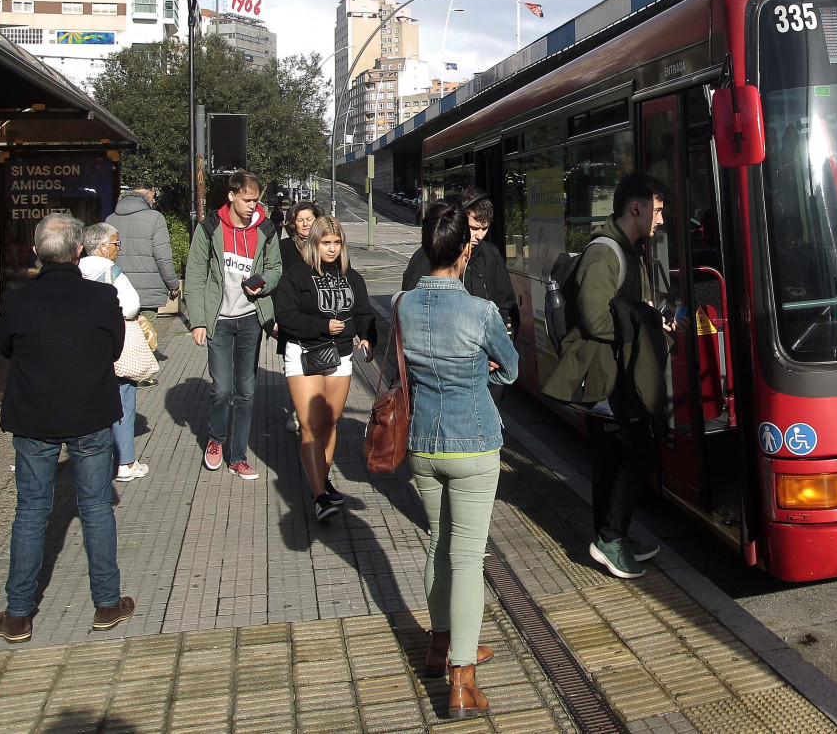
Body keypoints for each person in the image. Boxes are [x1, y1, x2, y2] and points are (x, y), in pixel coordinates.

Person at [397, 205, 518, 719]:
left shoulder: (403, 304)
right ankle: (463, 681)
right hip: (473, 442)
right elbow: (510, 370)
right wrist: (482, 369)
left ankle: (439, 646)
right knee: (469, 558)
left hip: (423, 444)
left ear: (428, 249)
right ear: (465, 250)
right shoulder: (481, 312)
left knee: (437, 546)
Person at [0, 213, 134, 643]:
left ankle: (18, 614)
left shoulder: (16, 301)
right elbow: (115, 346)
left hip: (33, 417)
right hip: (90, 415)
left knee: (31, 512)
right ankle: (107, 604)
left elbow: (4, 348)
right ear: (78, 252)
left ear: (36, 252)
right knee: (95, 508)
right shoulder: (101, 297)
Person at [543, 173, 677, 580]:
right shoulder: (605, 253)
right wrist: (650, 321)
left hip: (618, 368)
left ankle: (611, 534)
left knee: (612, 457)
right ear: (635, 208)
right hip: (608, 375)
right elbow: (597, 318)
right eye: (656, 211)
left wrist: (648, 315)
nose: (660, 221)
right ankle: (609, 538)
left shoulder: (629, 248)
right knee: (638, 454)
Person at [274, 216, 376, 521]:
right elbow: (285, 315)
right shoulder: (296, 276)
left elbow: (364, 313)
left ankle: (322, 479)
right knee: (310, 426)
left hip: (341, 356)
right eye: (325, 242)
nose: (331, 249)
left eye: (336, 242)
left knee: (329, 424)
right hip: (304, 354)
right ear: (314, 243)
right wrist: (321, 326)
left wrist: (368, 339)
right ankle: (319, 496)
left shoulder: (352, 277)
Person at [184, 170, 282, 480]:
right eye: (248, 199)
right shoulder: (209, 227)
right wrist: (198, 321)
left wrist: (262, 283)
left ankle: (238, 456)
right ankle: (216, 439)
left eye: (257, 199)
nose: (254, 205)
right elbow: (196, 275)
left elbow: (275, 268)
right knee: (221, 388)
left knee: (246, 391)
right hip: (219, 321)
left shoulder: (266, 229)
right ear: (232, 196)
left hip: (250, 319)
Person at [79, 223, 149, 482]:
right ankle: (125, 462)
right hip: (114, 347)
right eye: (116, 243)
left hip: (84, 349)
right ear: (102, 248)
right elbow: (130, 307)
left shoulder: (77, 270)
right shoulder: (111, 272)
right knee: (123, 402)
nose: (119, 249)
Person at [402, 187, 519, 339]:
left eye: (485, 229)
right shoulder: (429, 255)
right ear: (459, 221)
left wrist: (506, 335)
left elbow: (506, 304)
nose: (479, 236)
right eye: (474, 228)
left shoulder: (491, 255)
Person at [106, 180, 180, 338]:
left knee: (123, 336)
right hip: (148, 291)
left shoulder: (110, 219)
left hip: (119, 288)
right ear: (148, 194)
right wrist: (173, 284)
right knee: (146, 337)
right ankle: (145, 362)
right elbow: (163, 257)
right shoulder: (155, 218)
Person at [279, 199, 324, 434]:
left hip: (320, 317)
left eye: (309, 219)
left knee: (320, 365)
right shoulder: (285, 248)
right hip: (293, 316)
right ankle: (297, 409)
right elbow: (278, 282)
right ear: (293, 224)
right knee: (295, 366)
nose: (306, 224)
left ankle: (315, 409)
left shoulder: (326, 245)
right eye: (300, 220)